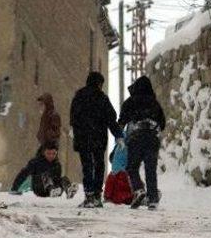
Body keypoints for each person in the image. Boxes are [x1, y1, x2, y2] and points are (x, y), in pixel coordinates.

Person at [70, 71, 124, 208]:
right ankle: (96, 196)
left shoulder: (79, 96)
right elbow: (111, 118)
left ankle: (89, 196)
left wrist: (74, 129)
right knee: (99, 165)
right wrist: (118, 135)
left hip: (83, 137)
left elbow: (74, 116)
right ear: (99, 84)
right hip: (98, 138)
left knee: (87, 165)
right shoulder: (102, 98)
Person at [118, 76, 166, 210]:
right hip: (152, 137)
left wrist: (119, 134)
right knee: (150, 169)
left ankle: (139, 189)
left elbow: (121, 121)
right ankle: (153, 199)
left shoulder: (131, 102)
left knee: (132, 167)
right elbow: (162, 123)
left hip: (136, 137)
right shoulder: (154, 103)